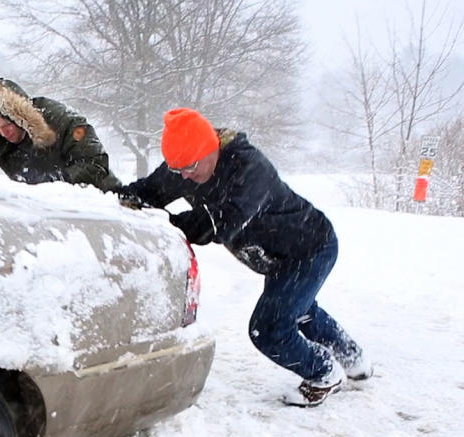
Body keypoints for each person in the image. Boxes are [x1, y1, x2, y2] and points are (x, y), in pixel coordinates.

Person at [120, 107, 372, 407]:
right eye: (178, 169)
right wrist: (113, 200)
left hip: (311, 247)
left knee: (269, 328)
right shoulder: (186, 165)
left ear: (210, 148)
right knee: (300, 309)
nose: (185, 175)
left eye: (190, 166)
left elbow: (222, 221)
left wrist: (175, 223)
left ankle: (324, 373)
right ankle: (355, 361)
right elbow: (147, 191)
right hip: (277, 257)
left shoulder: (250, 167)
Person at [0, 78, 122, 192]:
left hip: (104, 203)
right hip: (48, 216)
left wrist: (55, 182)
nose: (3, 133)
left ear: (19, 117)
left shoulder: (60, 120)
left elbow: (95, 164)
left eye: (7, 125)